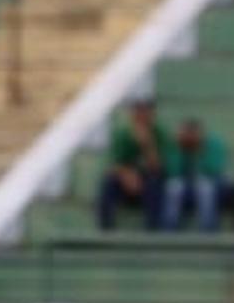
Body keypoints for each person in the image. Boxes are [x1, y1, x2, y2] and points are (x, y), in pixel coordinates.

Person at [96, 96, 170, 231]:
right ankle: (105, 228)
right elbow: (114, 164)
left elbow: (158, 167)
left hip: (149, 177)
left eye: (146, 112)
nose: (142, 116)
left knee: (155, 183)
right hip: (127, 177)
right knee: (108, 182)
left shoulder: (161, 134)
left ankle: (152, 229)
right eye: (138, 111)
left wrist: (147, 144)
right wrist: (128, 176)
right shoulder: (122, 134)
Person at [163, 117, 226, 232]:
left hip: (208, 183)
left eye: (193, 133)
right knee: (173, 187)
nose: (190, 137)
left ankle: (208, 231)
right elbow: (172, 170)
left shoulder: (213, 144)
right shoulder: (175, 145)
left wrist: (199, 150)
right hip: (183, 183)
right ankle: (169, 231)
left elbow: (214, 170)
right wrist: (181, 149)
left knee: (205, 188)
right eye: (187, 133)